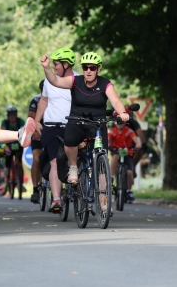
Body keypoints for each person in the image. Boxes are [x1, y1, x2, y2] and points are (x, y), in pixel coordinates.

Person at [41, 51, 129, 212]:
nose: (88, 71)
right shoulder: (76, 81)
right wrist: (47, 68)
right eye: (85, 67)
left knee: (101, 163)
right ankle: (74, 167)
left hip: (98, 124)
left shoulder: (105, 84)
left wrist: (122, 113)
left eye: (92, 68)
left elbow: (115, 100)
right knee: (70, 141)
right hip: (77, 121)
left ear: (98, 69)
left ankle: (103, 201)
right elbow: (55, 81)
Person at [35, 48, 78, 212]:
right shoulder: (48, 81)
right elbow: (44, 101)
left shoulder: (79, 80)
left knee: (74, 160)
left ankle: (79, 191)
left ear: (66, 65)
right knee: (54, 162)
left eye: (56, 64)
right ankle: (57, 199)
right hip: (52, 127)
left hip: (73, 127)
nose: (54, 67)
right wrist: (38, 121)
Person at [108, 120, 142, 202]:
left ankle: (129, 190)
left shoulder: (128, 131)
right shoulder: (113, 131)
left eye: (121, 123)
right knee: (115, 157)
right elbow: (108, 139)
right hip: (116, 150)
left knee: (130, 172)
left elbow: (136, 140)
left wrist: (137, 144)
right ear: (115, 123)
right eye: (118, 122)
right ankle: (111, 177)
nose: (119, 124)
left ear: (125, 123)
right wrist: (109, 145)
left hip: (128, 152)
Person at [0, 105, 27, 195]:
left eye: (14, 114)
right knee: (8, 159)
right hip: (9, 144)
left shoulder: (20, 121)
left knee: (20, 162)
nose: (12, 116)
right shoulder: (5, 122)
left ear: (16, 115)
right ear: (8, 115)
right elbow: (1, 132)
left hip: (19, 144)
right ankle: (6, 178)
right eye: (10, 114)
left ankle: (21, 183)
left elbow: (25, 130)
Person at [29, 80, 44, 204]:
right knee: (37, 159)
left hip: (53, 129)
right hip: (38, 131)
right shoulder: (36, 100)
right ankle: (35, 189)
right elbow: (31, 116)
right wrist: (34, 130)